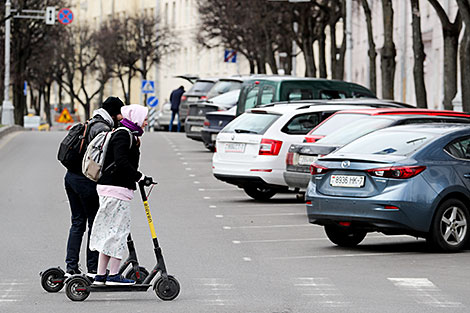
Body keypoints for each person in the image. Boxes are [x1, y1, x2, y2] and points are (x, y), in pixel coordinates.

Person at [89, 104, 150, 285]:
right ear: (136, 119)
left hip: (113, 189)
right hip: (116, 190)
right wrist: (140, 177)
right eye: (144, 119)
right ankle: (114, 275)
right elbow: (121, 162)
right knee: (118, 232)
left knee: (111, 231)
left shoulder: (126, 134)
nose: (146, 123)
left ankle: (101, 275)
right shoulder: (123, 134)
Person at [64, 96, 124, 277]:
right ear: (114, 113)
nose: (121, 118)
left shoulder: (92, 122)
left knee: (77, 223)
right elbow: (104, 159)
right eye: (120, 114)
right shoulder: (102, 129)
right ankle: (92, 268)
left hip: (71, 178)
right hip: (85, 181)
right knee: (94, 224)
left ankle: (71, 268)